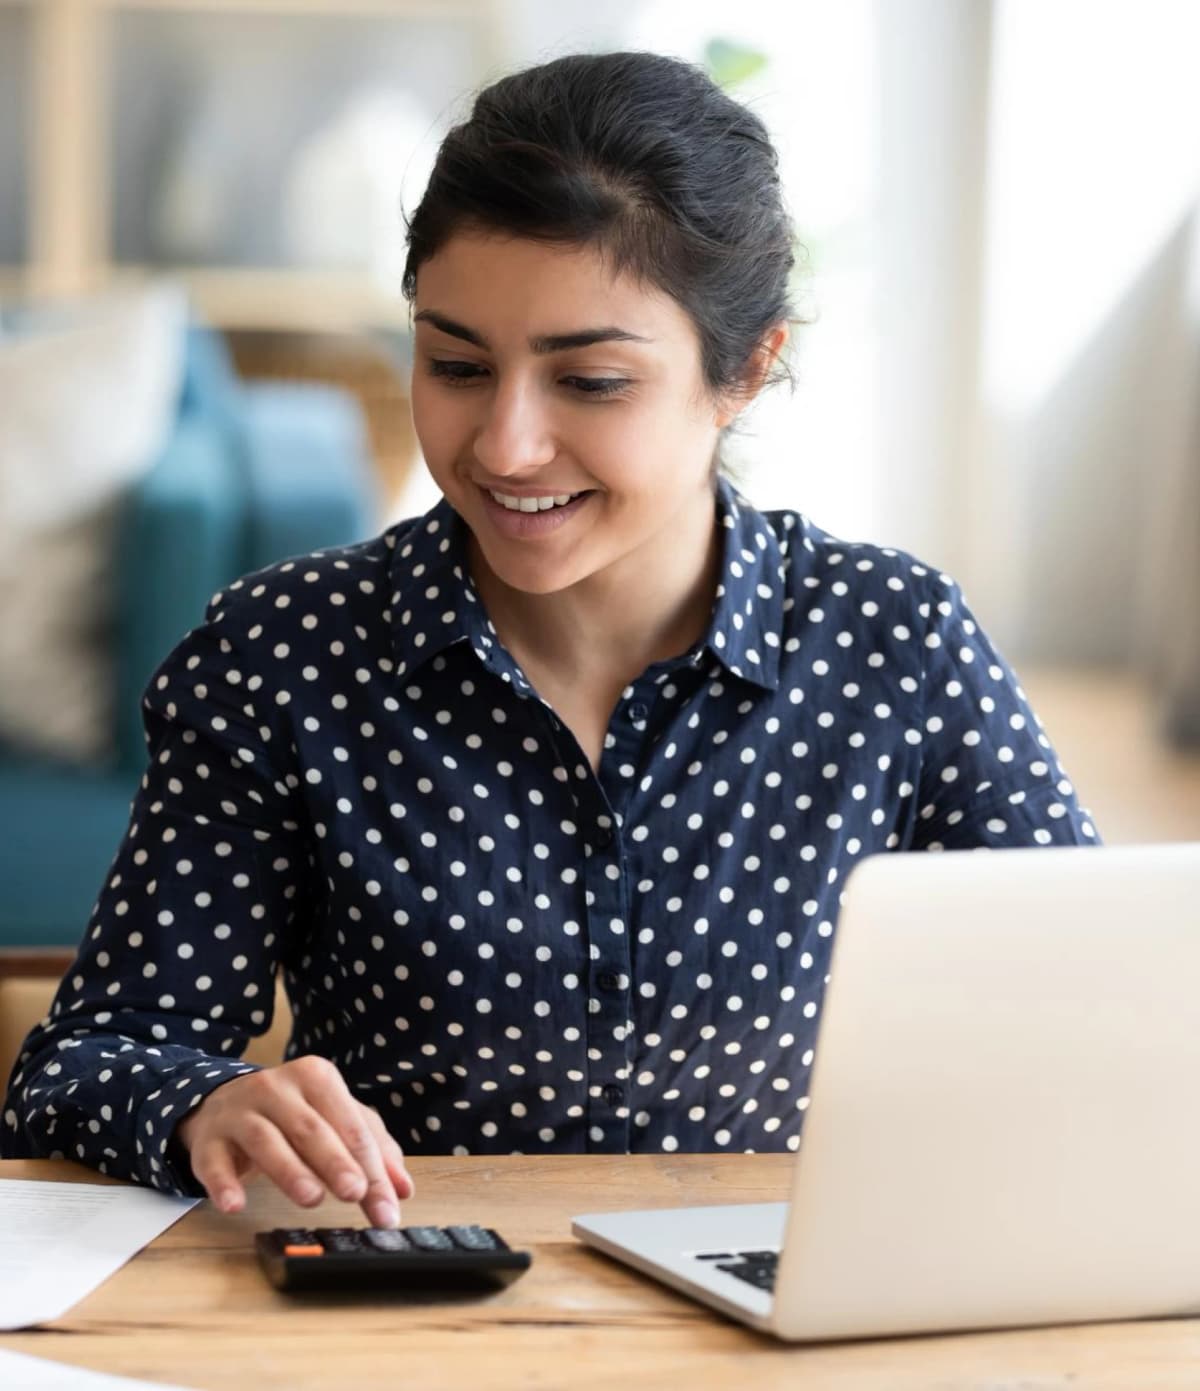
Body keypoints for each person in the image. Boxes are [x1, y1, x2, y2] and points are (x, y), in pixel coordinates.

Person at [2, 51, 1100, 1233]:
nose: (507, 445)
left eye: (590, 379)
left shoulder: (899, 645)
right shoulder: (283, 656)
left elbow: (1100, 1005)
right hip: (413, 1314)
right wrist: (204, 1100)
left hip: (784, 1311)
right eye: (457, 364)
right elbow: (82, 1065)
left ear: (746, 370)